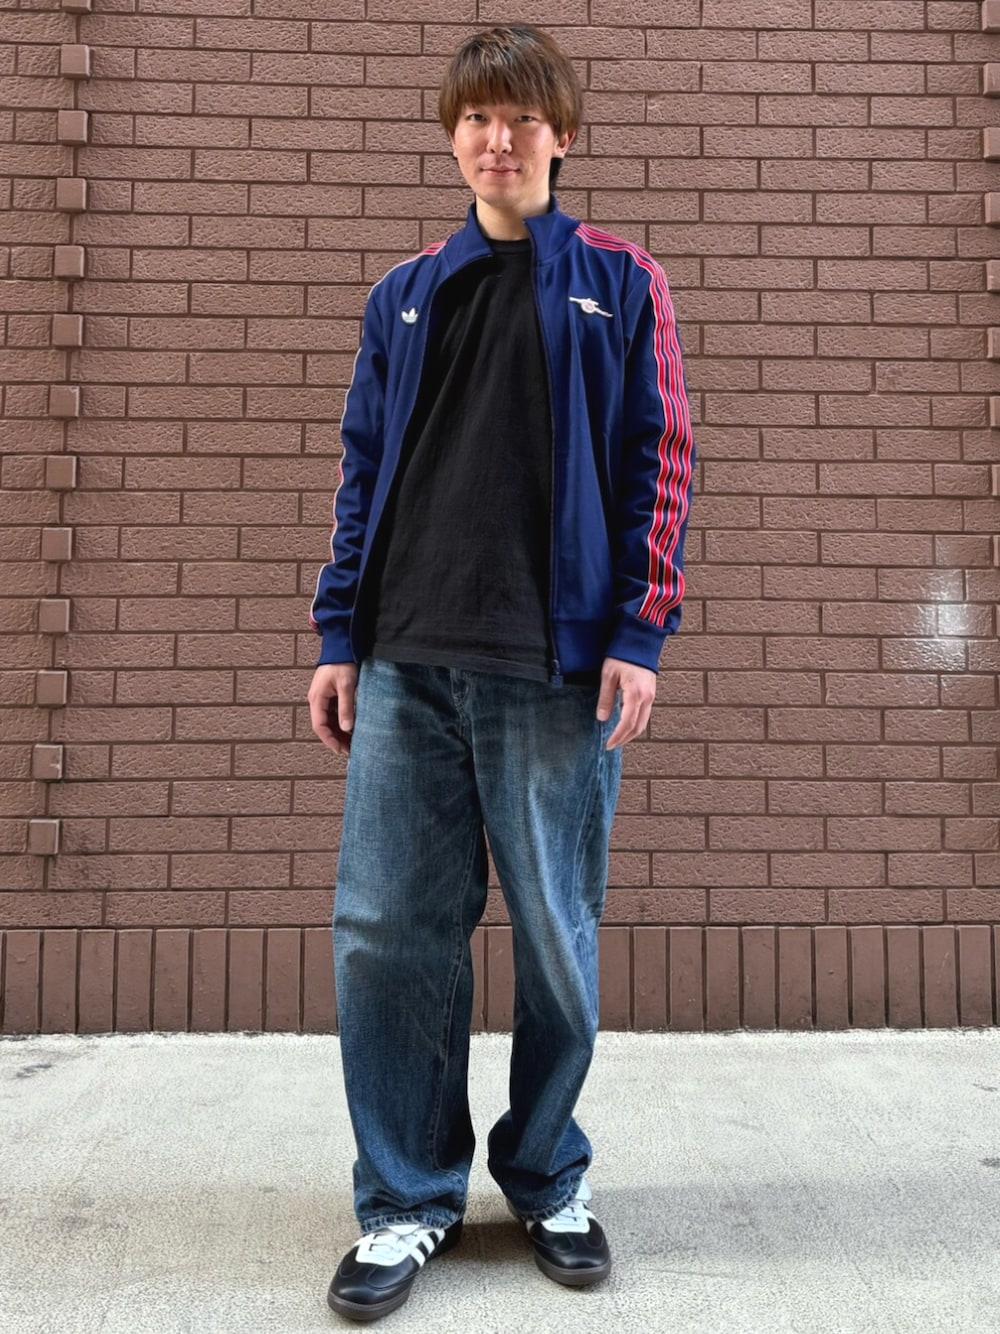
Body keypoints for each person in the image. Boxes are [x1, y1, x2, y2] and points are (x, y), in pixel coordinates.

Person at [307, 23, 695, 1323]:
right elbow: (362, 467)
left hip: (554, 668)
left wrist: (639, 632)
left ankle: (544, 1175)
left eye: (521, 118)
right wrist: (339, 636)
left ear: (561, 135)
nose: (497, 139)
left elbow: (660, 460)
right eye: (476, 118)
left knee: (558, 942)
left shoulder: (618, 284)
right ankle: (406, 1197)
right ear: (453, 137)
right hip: (408, 658)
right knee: (388, 935)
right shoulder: (407, 294)